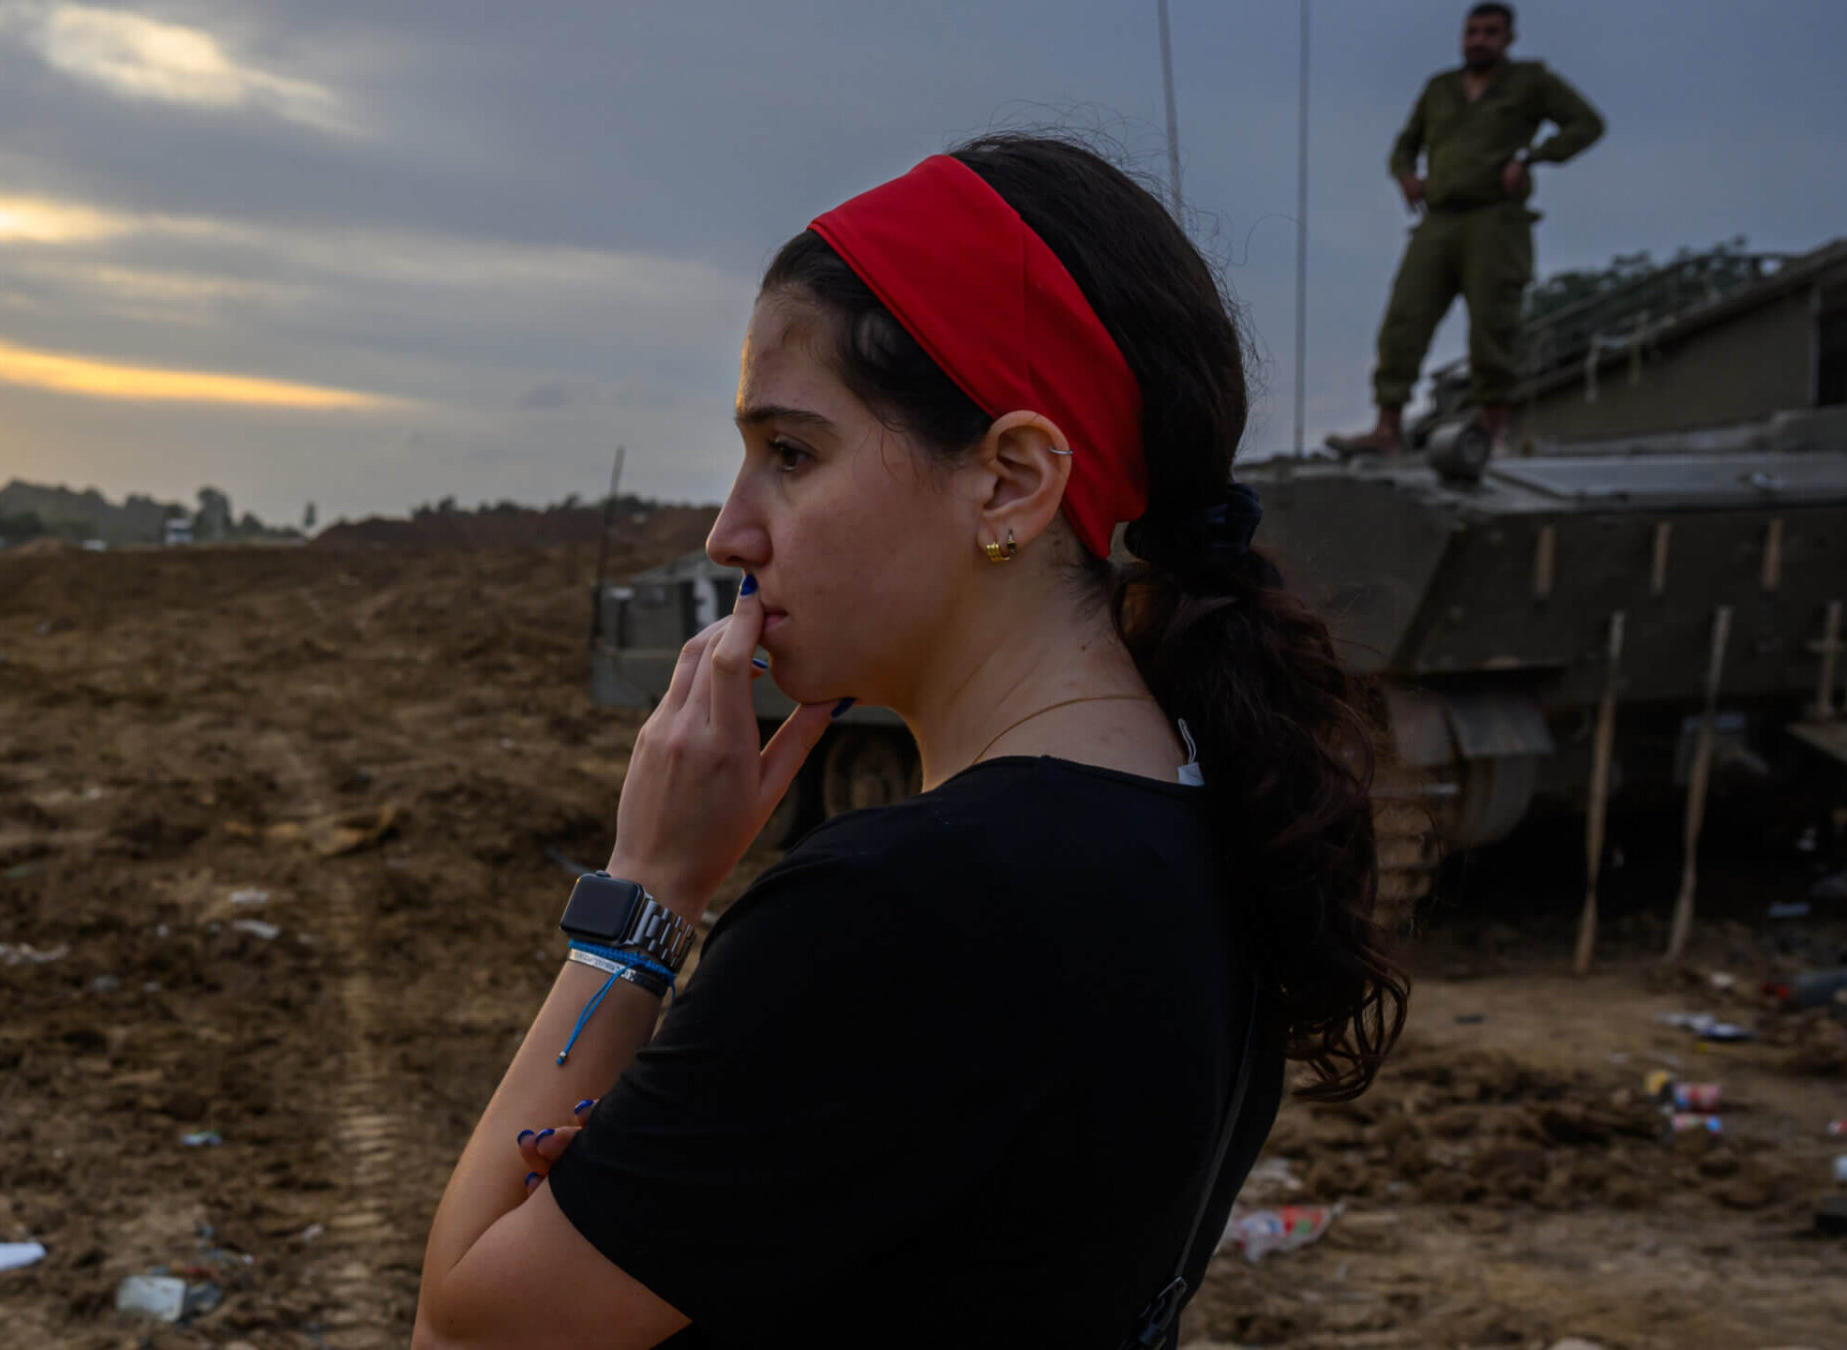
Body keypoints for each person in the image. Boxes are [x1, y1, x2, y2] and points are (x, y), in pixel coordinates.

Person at [414, 133, 1408, 1349]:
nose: (731, 532)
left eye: (791, 453)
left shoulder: (905, 909)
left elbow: (470, 1333)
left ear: (1010, 481)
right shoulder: (1218, 826)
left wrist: (646, 897)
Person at [1327, 1, 1603, 457]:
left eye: (1491, 32)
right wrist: (1406, 176)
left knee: (1494, 324)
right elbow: (1404, 145)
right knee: (1404, 319)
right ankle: (1386, 429)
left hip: (1496, 220)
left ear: (1508, 39)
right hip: (1438, 220)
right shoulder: (1440, 88)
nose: (1479, 40)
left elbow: (1586, 124)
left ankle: (1494, 430)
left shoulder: (1530, 81)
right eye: (1472, 32)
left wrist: (1531, 158)